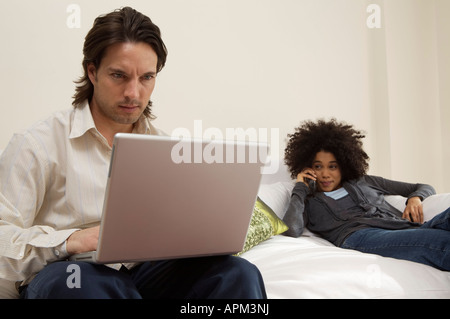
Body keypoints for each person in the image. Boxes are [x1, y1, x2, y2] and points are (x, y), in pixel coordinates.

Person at [0, 7, 266, 299]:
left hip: (142, 276)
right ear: (92, 71)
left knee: (237, 273)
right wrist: (70, 240)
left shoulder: (166, 149)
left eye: (146, 78)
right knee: (87, 283)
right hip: (69, 275)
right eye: (119, 75)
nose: (134, 92)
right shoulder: (37, 144)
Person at [282, 118, 450, 271]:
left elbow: (424, 186)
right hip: (361, 237)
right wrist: (300, 187)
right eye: (318, 167)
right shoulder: (309, 201)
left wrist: (414, 198)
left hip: (404, 227)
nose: (325, 174)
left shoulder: (365, 181)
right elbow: (291, 230)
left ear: (344, 165)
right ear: (308, 167)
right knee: (442, 242)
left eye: (332, 166)